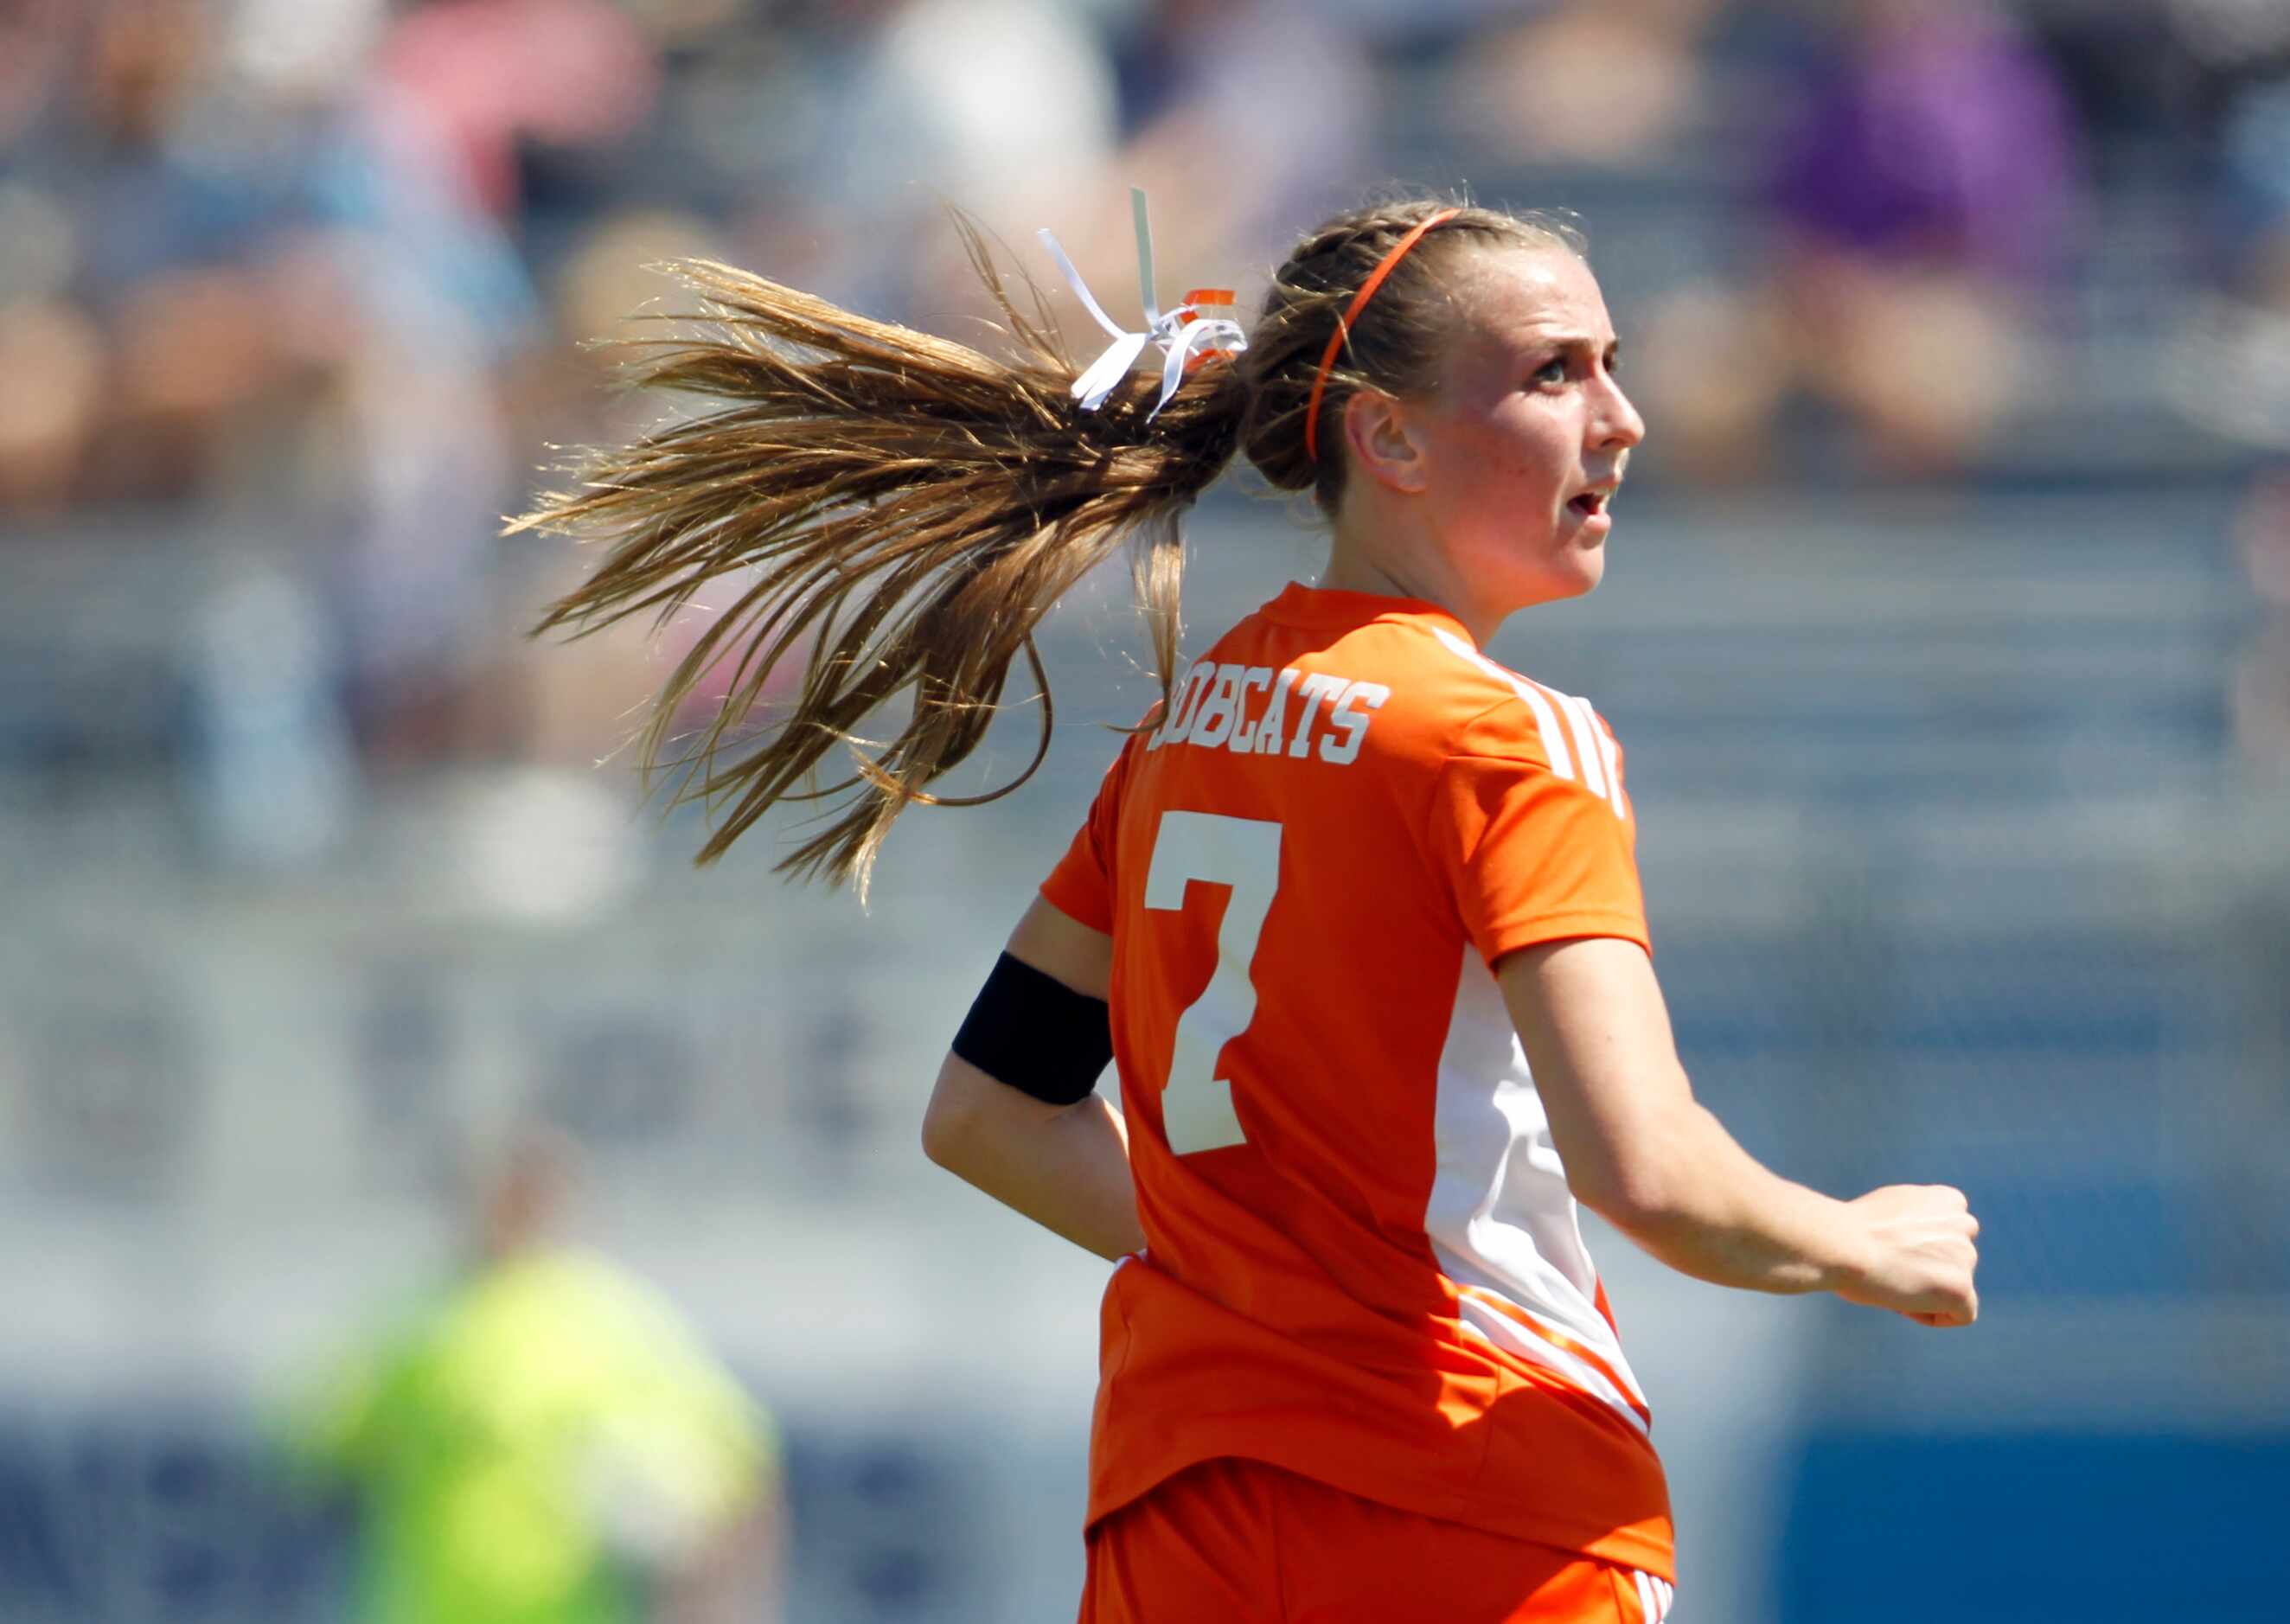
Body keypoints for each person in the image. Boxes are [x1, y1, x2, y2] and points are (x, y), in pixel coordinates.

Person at [516, 194, 1981, 1622]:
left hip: (1185, 1506)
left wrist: (1257, 1274)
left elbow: (990, 1110)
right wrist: (1858, 1238)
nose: (1621, 417)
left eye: (1610, 365)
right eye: (1552, 371)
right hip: (1477, 1495)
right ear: (1384, 434)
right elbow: (1646, 1168)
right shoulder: (1499, 739)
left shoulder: (1189, 730)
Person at [284, 1128, 783, 1624]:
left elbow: (741, 1462)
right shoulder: (418, 1328)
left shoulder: (612, 1324)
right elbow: (308, 1445)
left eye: (527, 1196)